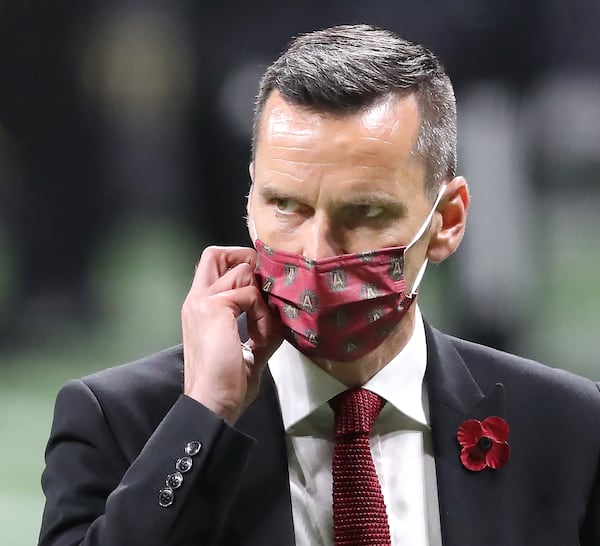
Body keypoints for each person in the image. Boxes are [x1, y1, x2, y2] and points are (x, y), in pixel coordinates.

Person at [39, 24, 600, 546]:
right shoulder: (120, 422)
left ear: (447, 220)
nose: (315, 252)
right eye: (287, 205)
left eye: (365, 212)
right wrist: (206, 411)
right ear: (250, 198)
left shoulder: (565, 426)